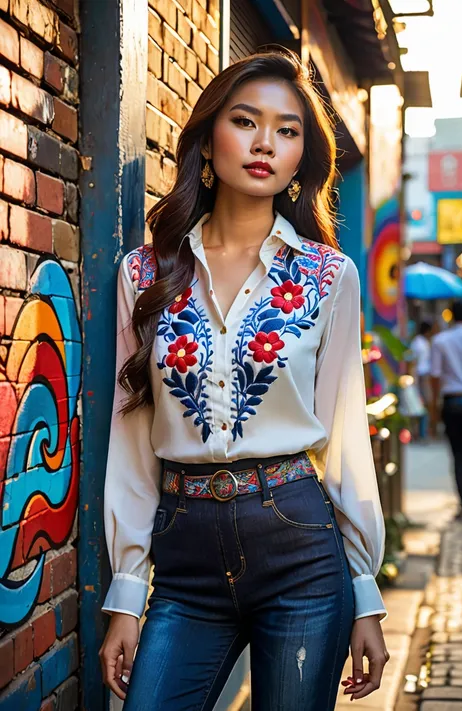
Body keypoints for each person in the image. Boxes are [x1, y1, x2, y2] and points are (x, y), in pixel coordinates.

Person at [99, 50, 389, 711]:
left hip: (300, 547)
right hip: (185, 555)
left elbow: (345, 439)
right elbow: (133, 434)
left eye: (288, 130)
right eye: (246, 121)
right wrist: (125, 590)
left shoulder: (327, 275)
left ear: (300, 159)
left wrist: (366, 592)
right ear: (208, 141)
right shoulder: (145, 275)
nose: (266, 143)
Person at [431, 299, 462, 522]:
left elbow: (435, 376)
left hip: (453, 403)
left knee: (457, 456)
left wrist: (435, 407)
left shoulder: (440, 341)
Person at [411, 321, 433, 439]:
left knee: (424, 405)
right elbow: (413, 361)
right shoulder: (418, 343)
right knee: (420, 405)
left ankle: (423, 432)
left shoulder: (423, 342)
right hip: (420, 376)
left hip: (424, 376)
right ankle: (420, 433)